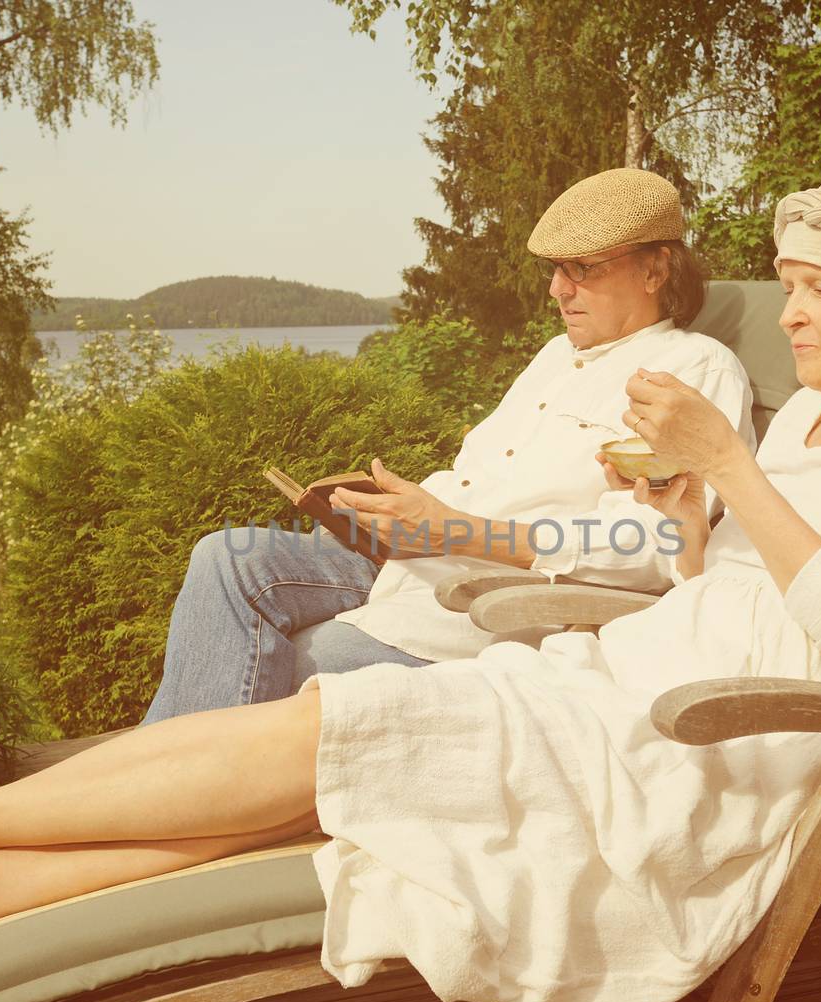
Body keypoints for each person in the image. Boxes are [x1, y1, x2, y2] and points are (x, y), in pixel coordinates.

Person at [0, 176, 821, 1002]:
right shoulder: (810, 416)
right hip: (635, 685)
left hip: (728, 744)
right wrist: (704, 512)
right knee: (321, 748)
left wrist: (720, 469)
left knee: (323, 740)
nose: (793, 316)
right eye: (790, 288)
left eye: (814, 290)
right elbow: (719, 569)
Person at [141, 166, 755, 723]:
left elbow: (654, 547)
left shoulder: (691, 375)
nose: (557, 291)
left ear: (655, 269)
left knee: (307, 656)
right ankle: (151, 782)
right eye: (555, 269)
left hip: (495, 604)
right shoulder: (556, 357)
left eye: (582, 269)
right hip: (408, 558)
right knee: (227, 554)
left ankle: (150, 790)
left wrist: (455, 531)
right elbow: (484, 474)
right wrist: (384, 509)